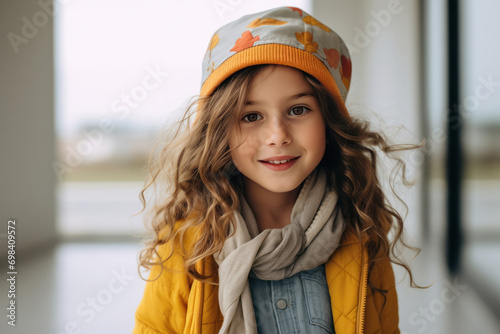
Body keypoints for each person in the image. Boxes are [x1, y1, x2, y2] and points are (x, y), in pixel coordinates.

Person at [133, 6, 425, 334]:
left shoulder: (362, 225)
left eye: (298, 110)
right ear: (219, 131)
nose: (278, 136)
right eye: (251, 116)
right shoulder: (187, 241)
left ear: (330, 121)